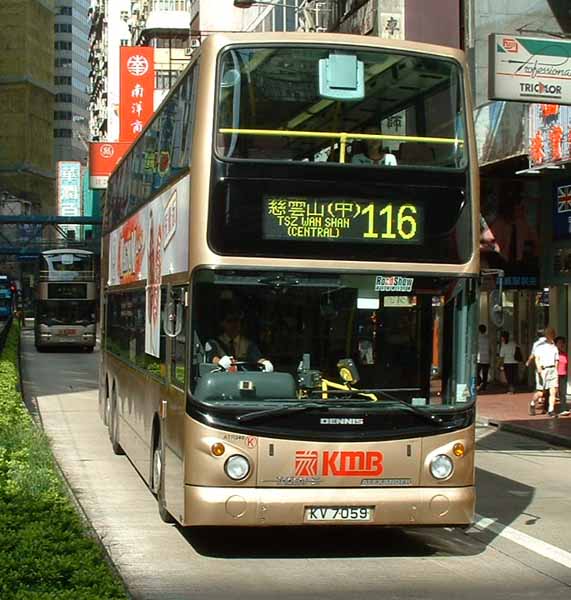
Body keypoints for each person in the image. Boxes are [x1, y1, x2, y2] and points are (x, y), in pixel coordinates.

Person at [205, 309, 273, 372]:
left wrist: (265, 362)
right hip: (223, 378)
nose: (234, 324)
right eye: (230, 321)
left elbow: (257, 358)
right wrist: (220, 361)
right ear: (222, 323)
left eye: (237, 320)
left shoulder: (248, 344)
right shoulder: (214, 343)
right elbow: (212, 358)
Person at [532, 326, 559, 417]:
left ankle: (551, 410)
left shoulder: (554, 347)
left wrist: (555, 369)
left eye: (552, 334)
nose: (551, 335)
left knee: (553, 391)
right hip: (543, 370)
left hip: (552, 370)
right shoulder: (540, 346)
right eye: (550, 333)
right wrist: (539, 368)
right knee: (541, 393)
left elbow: (556, 360)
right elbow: (537, 358)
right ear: (546, 335)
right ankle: (532, 403)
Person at [526, 329, 547, 415]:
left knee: (546, 390)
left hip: (541, 368)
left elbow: (533, 355)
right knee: (542, 391)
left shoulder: (536, 344)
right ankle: (533, 403)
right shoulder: (549, 343)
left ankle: (546, 408)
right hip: (545, 368)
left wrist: (528, 361)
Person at [555, 336, 570, 416]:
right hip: (555, 375)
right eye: (559, 343)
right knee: (553, 393)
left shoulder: (565, 354)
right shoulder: (554, 354)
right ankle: (549, 409)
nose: (561, 344)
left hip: (563, 375)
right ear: (556, 344)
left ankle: (563, 409)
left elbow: (566, 366)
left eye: (562, 343)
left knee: (563, 393)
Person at [477, 324, 490, 391]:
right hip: (486, 358)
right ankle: (484, 386)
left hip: (478, 359)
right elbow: (490, 348)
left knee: (476, 372)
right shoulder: (487, 338)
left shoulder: (477, 338)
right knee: (485, 374)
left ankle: (479, 382)